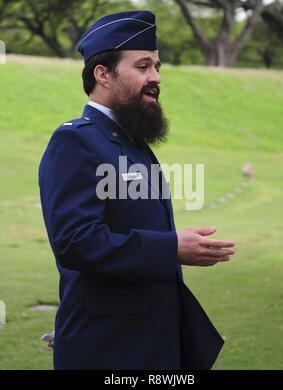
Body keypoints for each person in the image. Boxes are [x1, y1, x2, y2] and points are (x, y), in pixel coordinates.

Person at [39, 10, 236, 370]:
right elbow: (76, 241)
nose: (155, 78)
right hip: (110, 349)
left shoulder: (133, 143)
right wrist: (171, 247)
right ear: (103, 74)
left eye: (157, 67)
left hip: (151, 342)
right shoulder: (75, 141)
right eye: (143, 66)